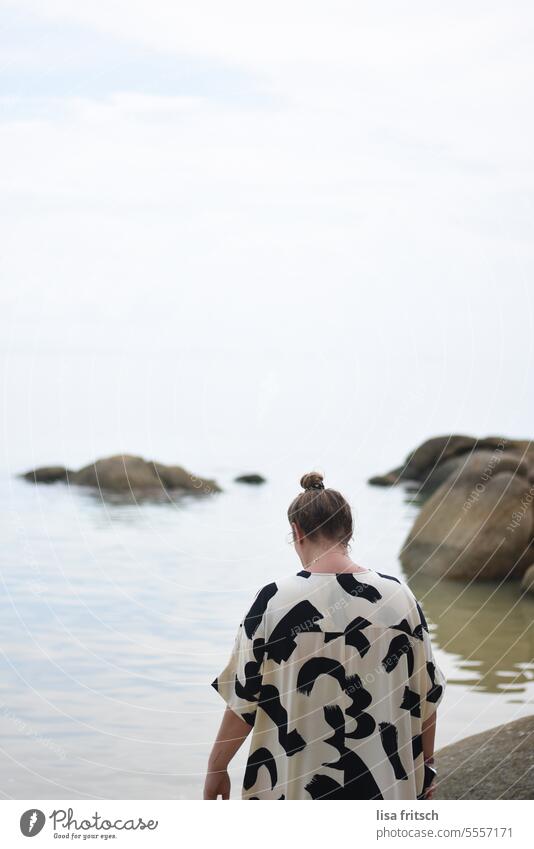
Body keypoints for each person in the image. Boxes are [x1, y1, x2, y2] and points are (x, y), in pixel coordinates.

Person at [204, 472, 445, 800]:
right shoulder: (399, 597)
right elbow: (426, 694)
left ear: (296, 531)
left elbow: (243, 700)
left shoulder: (272, 601)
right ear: (348, 532)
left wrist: (217, 767)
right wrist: (426, 768)